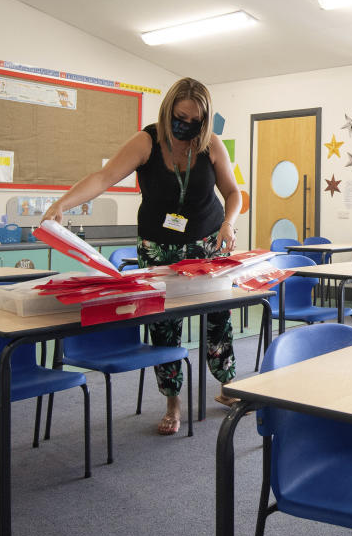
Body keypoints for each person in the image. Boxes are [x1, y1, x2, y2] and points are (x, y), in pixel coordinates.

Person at [44, 77, 242, 436]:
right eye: (181, 117)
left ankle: (227, 387)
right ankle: (172, 401)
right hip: (158, 246)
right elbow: (103, 177)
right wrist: (63, 203)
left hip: (208, 242)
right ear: (168, 111)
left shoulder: (210, 144)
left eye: (195, 121)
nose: (187, 126)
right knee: (163, 324)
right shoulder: (146, 141)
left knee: (218, 319)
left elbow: (232, 192)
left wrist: (229, 223)